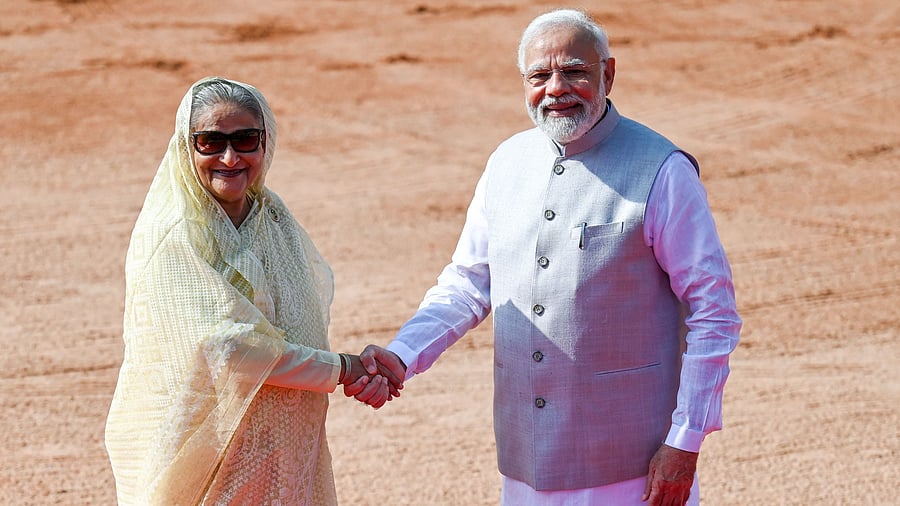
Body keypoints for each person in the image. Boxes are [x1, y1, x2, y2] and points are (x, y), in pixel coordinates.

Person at [349, 8, 741, 506]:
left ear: (608, 74)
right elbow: (469, 283)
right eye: (540, 75)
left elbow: (715, 311)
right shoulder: (505, 163)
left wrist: (684, 442)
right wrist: (403, 356)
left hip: (632, 465)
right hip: (526, 459)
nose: (556, 88)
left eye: (575, 71)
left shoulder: (663, 170)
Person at [105, 76, 398, 505]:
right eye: (210, 141)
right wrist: (345, 369)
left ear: (266, 142)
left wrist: (351, 370)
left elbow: (301, 315)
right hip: (207, 451)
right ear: (187, 147)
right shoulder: (176, 236)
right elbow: (231, 347)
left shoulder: (272, 215)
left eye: (245, 140)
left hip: (282, 446)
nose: (230, 157)